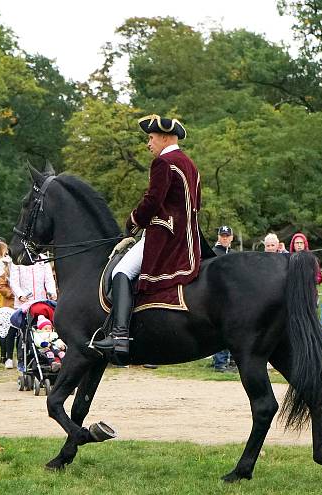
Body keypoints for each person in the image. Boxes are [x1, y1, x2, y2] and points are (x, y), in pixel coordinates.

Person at [94, 114, 200, 363]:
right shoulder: (190, 164)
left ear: (164, 138)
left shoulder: (164, 163)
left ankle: (119, 335)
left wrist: (133, 221)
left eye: (151, 138)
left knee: (121, 271)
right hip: (189, 238)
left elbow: (153, 201)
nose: (148, 144)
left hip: (165, 237)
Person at [211, 226, 236, 372]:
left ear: (232, 237)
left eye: (227, 235)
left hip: (233, 298)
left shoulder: (233, 254)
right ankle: (219, 363)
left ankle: (232, 361)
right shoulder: (213, 253)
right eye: (223, 235)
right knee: (221, 331)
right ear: (219, 237)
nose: (225, 238)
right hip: (217, 296)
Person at [0, 256, 17, 368]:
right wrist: (11, 293)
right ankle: (7, 357)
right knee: (9, 333)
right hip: (9, 307)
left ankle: (21, 358)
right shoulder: (5, 274)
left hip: (22, 306)